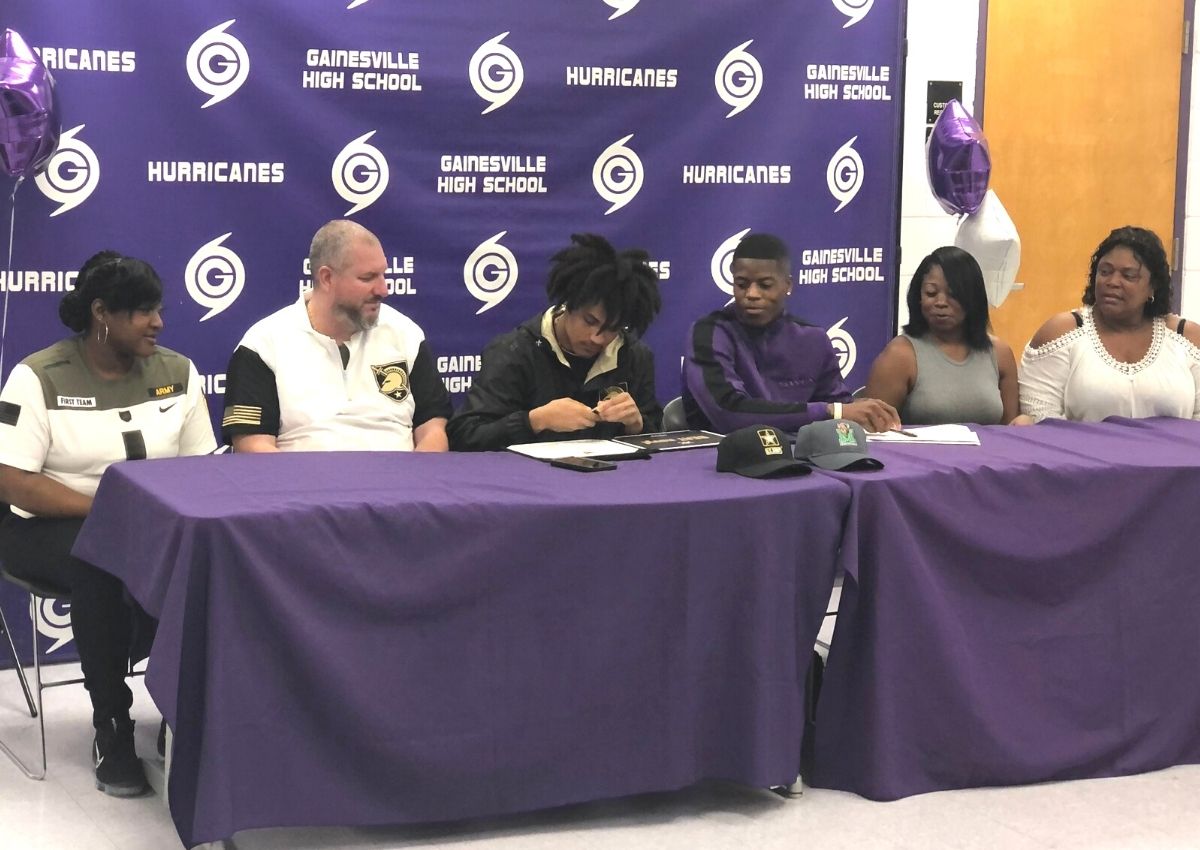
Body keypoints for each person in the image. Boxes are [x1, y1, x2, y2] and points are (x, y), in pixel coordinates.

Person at [0, 251, 216, 797]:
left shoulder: (178, 372)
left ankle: (180, 713)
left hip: (151, 524)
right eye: (143, 311)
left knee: (207, 552)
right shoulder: (37, 376)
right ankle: (113, 724)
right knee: (100, 558)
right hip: (42, 525)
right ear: (102, 313)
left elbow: (202, 471)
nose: (159, 322)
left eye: (159, 309)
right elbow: (14, 482)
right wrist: (114, 510)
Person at [222, 220, 452, 451]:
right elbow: (252, 447)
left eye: (383, 275)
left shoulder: (405, 334)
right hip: (301, 484)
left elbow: (433, 427)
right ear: (327, 278)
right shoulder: (262, 345)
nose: (383, 290)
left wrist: (417, 484)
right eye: (368, 278)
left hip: (401, 483)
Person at [448, 233, 662, 451]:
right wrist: (534, 421)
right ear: (568, 303)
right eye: (590, 321)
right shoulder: (514, 352)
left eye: (612, 329)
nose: (597, 338)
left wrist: (637, 425)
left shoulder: (634, 356)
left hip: (614, 481)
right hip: (526, 481)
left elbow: (660, 446)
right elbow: (465, 436)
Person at [683, 232, 900, 433]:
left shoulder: (813, 339)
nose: (752, 294)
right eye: (742, 284)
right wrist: (829, 412)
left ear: (788, 285)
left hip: (803, 456)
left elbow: (841, 409)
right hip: (721, 461)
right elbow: (729, 413)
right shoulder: (709, 334)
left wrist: (860, 413)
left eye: (765, 285)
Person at [1019, 226, 1200, 422]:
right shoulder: (1062, 332)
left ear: (1153, 287)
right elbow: (1039, 416)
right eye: (1105, 272)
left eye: (1129, 276)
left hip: (1174, 452)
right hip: (1079, 452)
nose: (1113, 282)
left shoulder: (1186, 337)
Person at [864, 246, 1019, 425]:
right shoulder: (899, 355)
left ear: (972, 298)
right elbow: (872, 430)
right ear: (918, 296)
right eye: (931, 293)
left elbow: (1011, 430)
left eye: (953, 295)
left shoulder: (1000, 353)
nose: (940, 302)